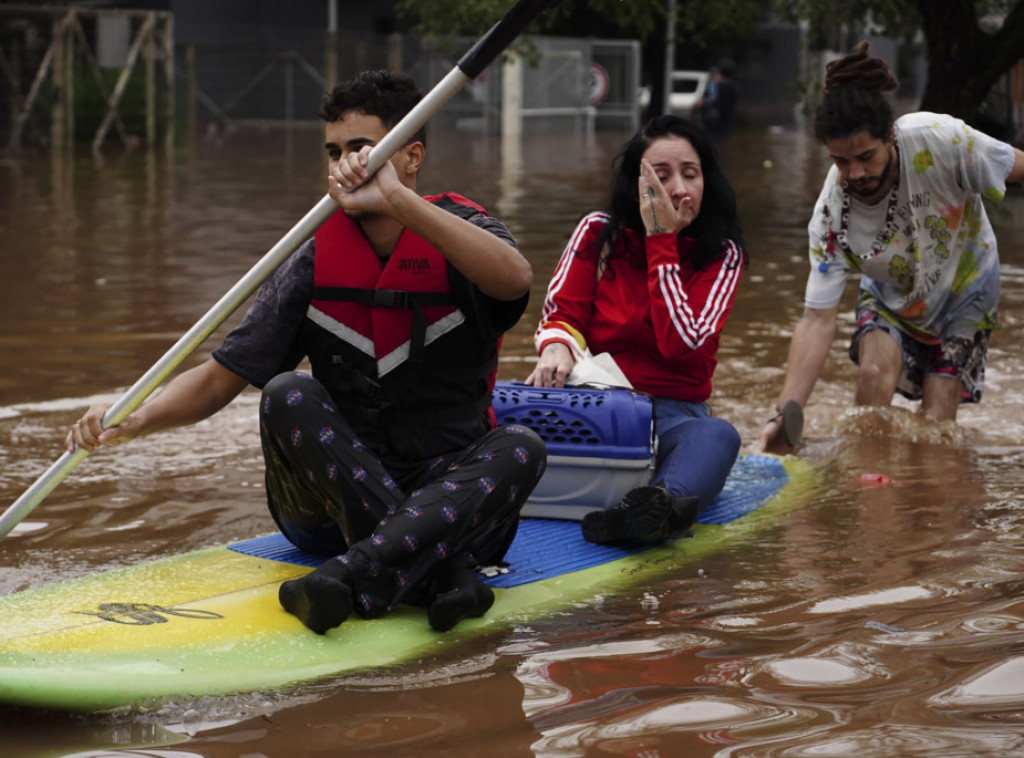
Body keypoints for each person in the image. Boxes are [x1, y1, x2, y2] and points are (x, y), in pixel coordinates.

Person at [67, 70, 546, 635]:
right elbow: (221, 377)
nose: (345, 164)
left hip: (449, 502)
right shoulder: (313, 256)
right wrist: (133, 418)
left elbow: (515, 280)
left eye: (363, 149)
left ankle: (353, 575)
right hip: (329, 511)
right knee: (285, 392)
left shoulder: (464, 231)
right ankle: (443, 578)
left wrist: (397, 201)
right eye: (334, 151)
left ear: (411, 156)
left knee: (521, 446)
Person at [758, 41, 1024, 453]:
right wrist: (785, 414)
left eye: (866, 156)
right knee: (872, 377)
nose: (856, 173)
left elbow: (1018, 167)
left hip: (967, 286)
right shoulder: (832, 217)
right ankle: (870, 494)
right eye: (841, 162)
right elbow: (816, 321)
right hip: (890, 292)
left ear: (890, 136)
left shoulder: (942, 141)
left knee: (937, 420)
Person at [526, 114, 746, 546]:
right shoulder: (597, 233)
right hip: (594, 405)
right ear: (635, 186)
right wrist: (557, 348)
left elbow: (681, 343)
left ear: (707, 181)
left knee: (720, 435)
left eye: (691, 174)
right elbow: (561, 313)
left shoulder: (722, 256)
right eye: (661, 177)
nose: (679, 190)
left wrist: (660, 241)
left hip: (672, 421)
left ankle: (657, 509)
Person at [695, 58, 739, 139]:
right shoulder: (734, 88)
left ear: (720, 71)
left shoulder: (713, 86)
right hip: (726, 129)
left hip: (711, 128)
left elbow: (700, 104)